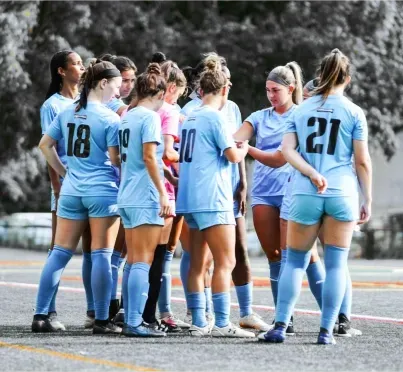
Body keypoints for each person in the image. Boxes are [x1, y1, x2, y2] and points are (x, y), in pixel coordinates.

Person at [261, 49, 372, 345]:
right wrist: (367, 199)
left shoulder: (302, 109)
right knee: (336, 264)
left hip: (305, 192)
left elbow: (286, 151)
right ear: (346, 79)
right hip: (342, 191)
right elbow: (362, 161)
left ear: (320, 76)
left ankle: (281, 326)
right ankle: (327, 331)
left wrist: (311, 172)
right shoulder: (353, 112)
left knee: (294, 262)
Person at [180, 53, 270, 331]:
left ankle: (198, 321)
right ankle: (221, 322)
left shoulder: (189, 115)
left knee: (197, 262)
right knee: (225, 260)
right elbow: (232, 154)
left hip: (189, 197)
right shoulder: (216, 116)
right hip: (213, 196)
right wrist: (244, 146)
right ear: (223, 89)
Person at [33, 60, 123, 335]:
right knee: (101, 255)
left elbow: (44, 145)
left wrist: (64, 172)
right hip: (101, 191)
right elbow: (114, 159)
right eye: (116, 87)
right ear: (103, 83)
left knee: (59, 253)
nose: (117, 94)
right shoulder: (110, 117)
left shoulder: (68, 111)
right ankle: (101, 320)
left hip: (72, 190)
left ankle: (40, 315)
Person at [234, 61, 304, 334]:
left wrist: (248, 148)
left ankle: (293, 315)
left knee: (292, 257)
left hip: (290, 191)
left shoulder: (300, 115)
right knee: (274, 256)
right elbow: (236, 138)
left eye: (276, 90)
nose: (271, 96)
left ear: (291, 88)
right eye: (268, 90)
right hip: (263, 192)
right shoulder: (259, 116)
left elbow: (278, 158)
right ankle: (282, 316)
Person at [118, 63, 171, 337]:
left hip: (126, 193)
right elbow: (151, 156)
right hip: (144, 195)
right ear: (160, 94)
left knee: (132, 261)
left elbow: (116, 157)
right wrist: (163, 192)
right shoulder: (149, 117)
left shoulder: (127, 115)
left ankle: (131, 316)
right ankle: (135, 321)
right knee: (143, 261)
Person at [39, 50, 86, 331]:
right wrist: (57, 185)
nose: (81, 67)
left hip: (89, 184)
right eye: (76, 63)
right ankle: (48, 311)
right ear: (61, 71)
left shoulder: (86, 103)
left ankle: (97, 312)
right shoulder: (52, 105)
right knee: (59, 247)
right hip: (65, 184)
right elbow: (49, 148)